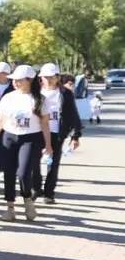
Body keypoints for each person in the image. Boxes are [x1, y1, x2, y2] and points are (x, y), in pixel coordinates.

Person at [0, 65, 54, 222]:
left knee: (23, 173)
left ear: (29, 80)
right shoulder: (9, 97)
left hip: (30, 138)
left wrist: (48, 144)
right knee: (9, 173)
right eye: (14, 80)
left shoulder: (40, 99)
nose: (15, 83)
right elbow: (0, 120)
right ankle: (10, 208)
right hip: (9, 137)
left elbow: (45, 124)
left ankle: (28, 201)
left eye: (19, 80)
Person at [38, 63, 82, 204]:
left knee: (53, 163)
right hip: (36, 132)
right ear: (41, 78)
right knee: (32, 162)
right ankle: (35, 188)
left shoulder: (65, 93)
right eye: (45, 77)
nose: (49, 80)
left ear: (58, 77)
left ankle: (49, 193)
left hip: (57, 133)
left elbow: (73, 114)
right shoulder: (35, 91)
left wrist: (75, 135)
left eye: (52, 77)